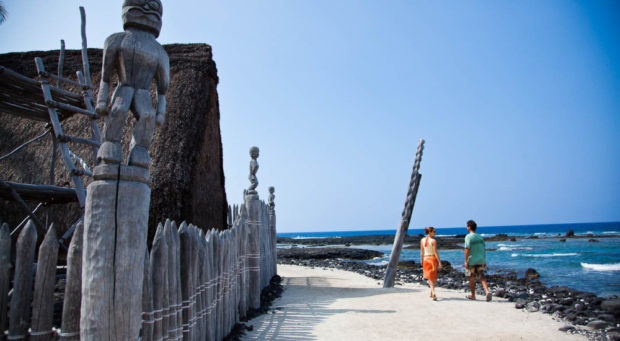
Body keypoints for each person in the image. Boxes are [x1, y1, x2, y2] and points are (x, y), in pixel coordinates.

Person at [464, 219, 492, 301]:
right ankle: (487, 291)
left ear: (469, 227)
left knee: (471, 277)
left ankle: (473, 295)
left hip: (472, 260)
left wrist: (465, 261)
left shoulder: (468, 237)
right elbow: (483, 249)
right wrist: (484, 260)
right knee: (481, 277)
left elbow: (467, 249)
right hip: (480, 259)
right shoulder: (480, 237)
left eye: (467, 226)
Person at [420, 226, 442, 300]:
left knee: (430, 277)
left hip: (426, 259)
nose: (435, 233)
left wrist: (421, 260)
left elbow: (422, 252)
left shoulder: (422, 240)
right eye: (434, 231)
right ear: (430, 232)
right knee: (433, 277)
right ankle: (433, 291)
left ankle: (431, 293)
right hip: (432, 259)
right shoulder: (433, 241)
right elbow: (435, 252)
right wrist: (439, 262)